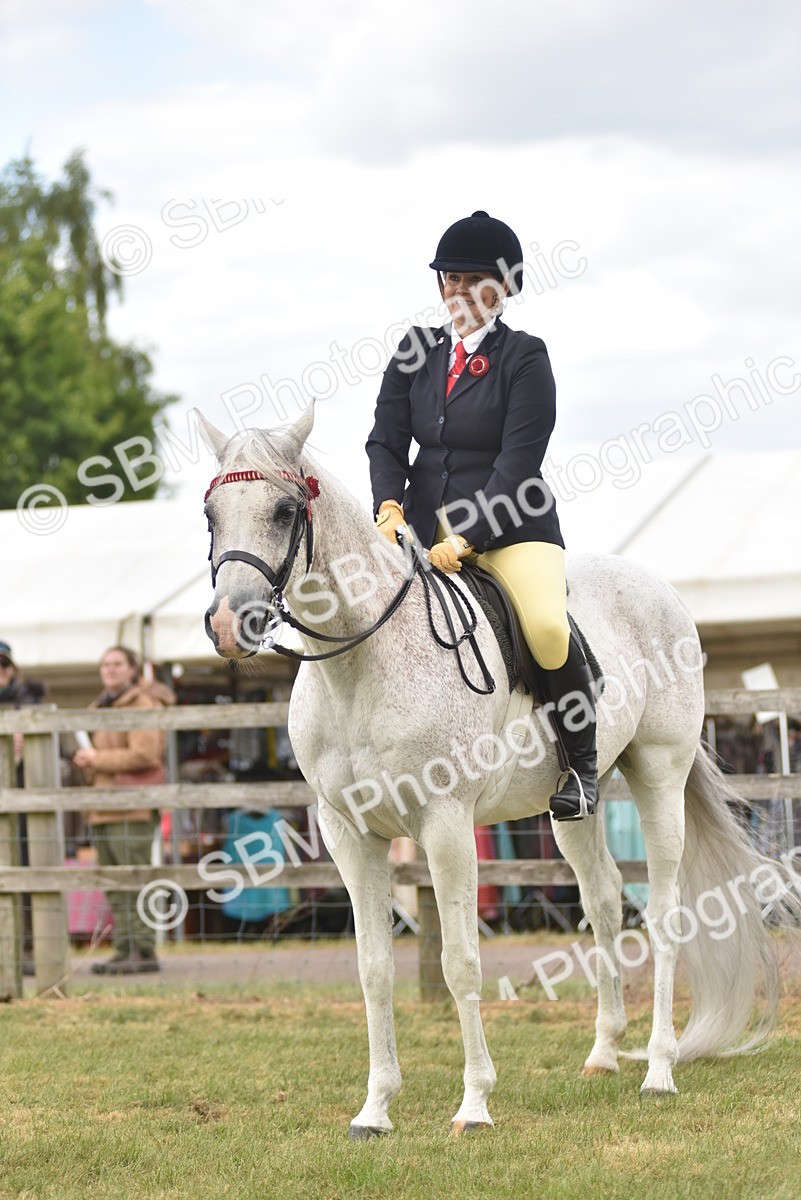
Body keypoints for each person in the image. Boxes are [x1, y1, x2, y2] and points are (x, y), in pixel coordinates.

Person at [366, 211, 598, 821]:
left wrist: (470, 537)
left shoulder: (526, 357)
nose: (458, 292)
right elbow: (385, 442)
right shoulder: (415, 350)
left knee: (547, 625)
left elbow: (520, 461)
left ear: (504, 288)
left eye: (473, 280)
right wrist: (387, 504)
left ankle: (581, 763)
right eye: (450, 278)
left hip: (513, 525)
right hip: (416, 522)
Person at [72, 646, 176, 974]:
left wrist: (96, 760)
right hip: (102, 805)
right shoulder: (101, 706)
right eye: (105, 664)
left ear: (132, 669)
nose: (110, 669)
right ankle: (124, 948)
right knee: (114, 884)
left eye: (117, 664)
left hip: (132, 807)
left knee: (136, 879)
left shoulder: (143, 704)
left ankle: (143, 950)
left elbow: (145, 755)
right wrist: (88, 763)